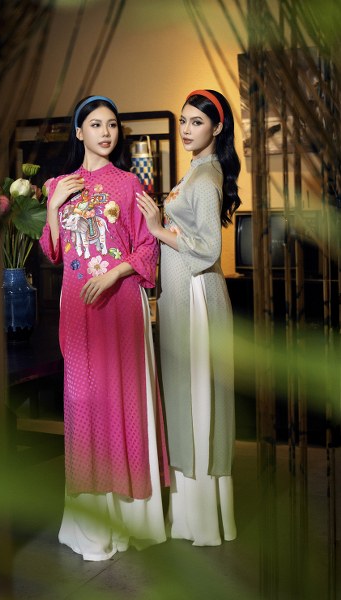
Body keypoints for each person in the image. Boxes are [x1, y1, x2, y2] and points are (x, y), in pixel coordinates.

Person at [39, 95, 170, 561]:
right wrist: (53, 206)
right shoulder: (59, 185)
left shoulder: (130, 183)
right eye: (95, 124)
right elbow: (52, 252)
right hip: (78, 305)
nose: (106, 132)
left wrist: (114, 274)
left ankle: (130, 517)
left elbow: (148, 248)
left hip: (120, 303)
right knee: (82, 401)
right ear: (79, 132)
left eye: (112, 124)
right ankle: (91, 523)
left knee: (123, 398)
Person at [137, 89, 241, 546]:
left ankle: (200, 521)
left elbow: (209, 249)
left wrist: (158, 228)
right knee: (187, 393)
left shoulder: (205, 178)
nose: (185, 129)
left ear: (217, 127)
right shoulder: (197, 170)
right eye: (183, 120)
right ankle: (195, 516)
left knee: (196, 394)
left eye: (196, 122)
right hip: (185, 294)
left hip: (197, 294)